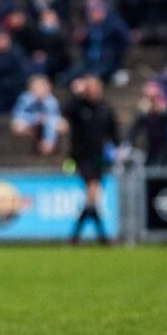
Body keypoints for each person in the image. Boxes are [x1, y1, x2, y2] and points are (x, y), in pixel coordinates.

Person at [63, 75, 119, 244]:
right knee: (93, 192)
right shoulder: (78, 108)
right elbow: (66, 110)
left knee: (92, 198)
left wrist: (117, 150)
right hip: (81, 158)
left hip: (99, 158)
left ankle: (79, 237)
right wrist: (76, 94)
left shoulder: (105, 109)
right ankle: (98, 236)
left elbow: (114, 134)